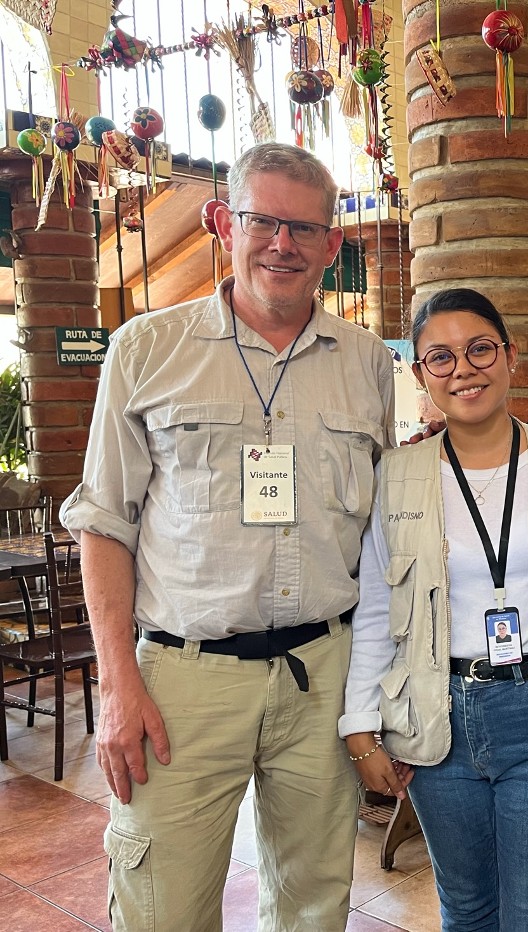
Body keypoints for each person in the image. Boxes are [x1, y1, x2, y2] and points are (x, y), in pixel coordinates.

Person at [59, 142, 395, 931]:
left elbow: (382, 524)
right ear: (223, 223)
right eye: (263, 221)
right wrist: (116, 686)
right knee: (162, 907)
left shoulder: (369, 363)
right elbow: (102, 523)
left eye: (304, 229)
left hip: (324, 672)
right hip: (183, 679)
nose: (283, 244)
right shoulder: (146, 349)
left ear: (331, 245)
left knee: (315, 902)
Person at [341, 288, 528, 932]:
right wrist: (360, 726)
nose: (463, 369)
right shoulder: (396, 475)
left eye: (480, 348)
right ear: (421, 374)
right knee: (467, 907)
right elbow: (374, 610)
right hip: (437, 716)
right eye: (440, 357)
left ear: (509, 357)